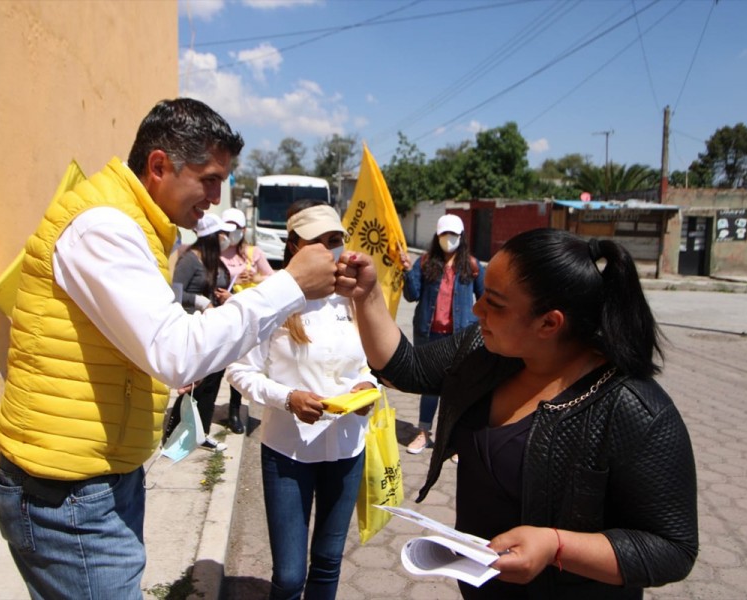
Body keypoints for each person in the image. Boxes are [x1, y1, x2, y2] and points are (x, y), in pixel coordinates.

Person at [0, 97, 338, 600]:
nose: (216, 199)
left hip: (95, 478)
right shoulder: (103, 227)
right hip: (65, 492)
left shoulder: (132, 225)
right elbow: (174, 351)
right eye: (210, 178)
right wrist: (287, 286)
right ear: (159, 166)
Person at [336, 228, 698, 599]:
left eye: (494, 303)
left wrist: (556, 547)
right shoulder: (483, 353)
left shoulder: (635, 410)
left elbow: (673, 549)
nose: (477, 310)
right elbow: (407, 368)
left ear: (549, 323)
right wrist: (367, 296)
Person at [227, 200, 377, 600]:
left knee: (327, 563)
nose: (330, 250)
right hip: (288, 453)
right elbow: (240, 372)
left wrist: (367, 386)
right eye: (319, 241)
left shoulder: (352, 299)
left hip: (347, 448)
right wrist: (287, 397)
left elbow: (367, 365)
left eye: (336, 240)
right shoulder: (271, 299)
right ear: (294, 245)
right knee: (291, 576)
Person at [400, 213, 484, 455]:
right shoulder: (425, 262)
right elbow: (412, 295)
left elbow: (485, 298)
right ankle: (424, 433)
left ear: (462, 237)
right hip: (429, 335)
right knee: (430, 387)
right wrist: (407, 270)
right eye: (445, 234)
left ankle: (454, 441)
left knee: (459, 389)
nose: (449, 239)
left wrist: (477, 327)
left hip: (461, 337)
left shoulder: (473, 265)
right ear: (437, 236)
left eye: (454, 235)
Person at [169, 212, 237, 451]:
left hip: (214, 328)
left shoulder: (215, 261)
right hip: (194, 328)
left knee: (212, 380)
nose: (227, 239)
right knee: (195, 382)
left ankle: (201, 431)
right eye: (223, 235)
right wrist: (199, 301)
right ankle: (176, 430)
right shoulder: (189, 260)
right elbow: (176, 293)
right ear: (210, 236)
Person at [219, 207, 275, 433]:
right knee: (215, 364)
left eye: (235, 228)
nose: (231, 233)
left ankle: (235, 410)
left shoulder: (254, 253)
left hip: (246, 317)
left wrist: (255, 277)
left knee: (239, 362)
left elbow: (273, 278)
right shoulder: (217, 252)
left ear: (243, 230)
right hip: (221, 314)